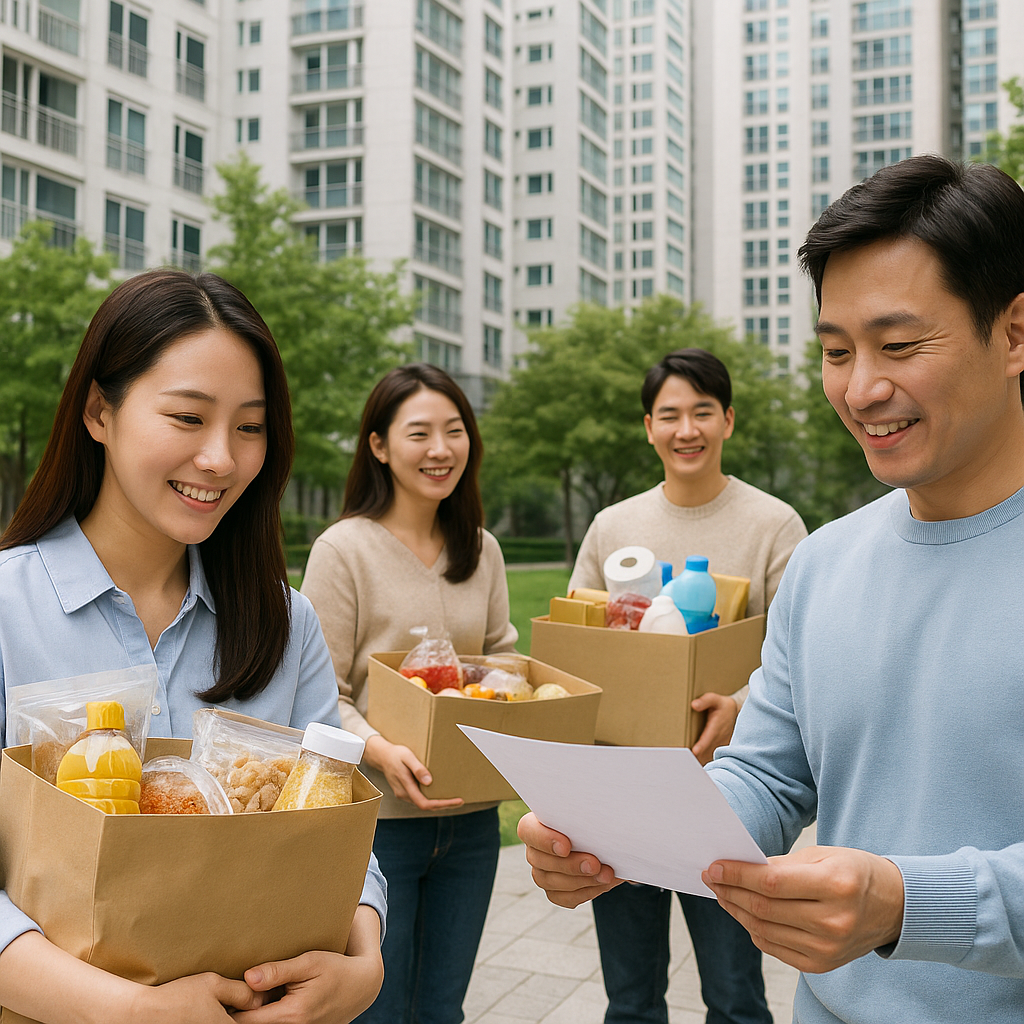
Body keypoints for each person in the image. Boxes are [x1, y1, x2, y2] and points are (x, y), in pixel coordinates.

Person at [518, 154, 1024, 1024]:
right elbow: (766, 777)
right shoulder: (825, 565)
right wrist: (617, 836)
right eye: (835, 351)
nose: (861, 389)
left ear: (1014, 333)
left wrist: (907, 902)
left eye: (900, 346)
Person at [0, 269, 387, 1024]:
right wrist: (125, 1010)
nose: (221, 459)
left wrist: (364, 963)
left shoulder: (287, 623)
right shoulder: (7, 609)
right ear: (98, 411)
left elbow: (339, 834)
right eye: (187, 418)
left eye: (249, 426)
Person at [568, 349, 806, 1024]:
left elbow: (802, 660)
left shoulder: (774, 526)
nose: (686, 429)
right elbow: (582, 645)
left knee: (734, 996)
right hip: (624, 787)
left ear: (727, 420)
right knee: (631, 999)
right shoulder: (614, 527)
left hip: (728, 793)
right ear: (649, 427)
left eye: (702, 412)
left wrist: (739, 706)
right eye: (669, 415)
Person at [299, 363, 518, 1024]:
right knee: (379, 1010)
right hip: (377, 828)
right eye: (419, 433)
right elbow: (318, 696)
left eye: (455, 431)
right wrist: (379, 747)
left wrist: (500, 688)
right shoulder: (343, 551)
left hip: (472, 820)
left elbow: (502, 654)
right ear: (378, 445)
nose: (441, 449)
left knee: (443, 1009)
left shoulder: (481, 550)